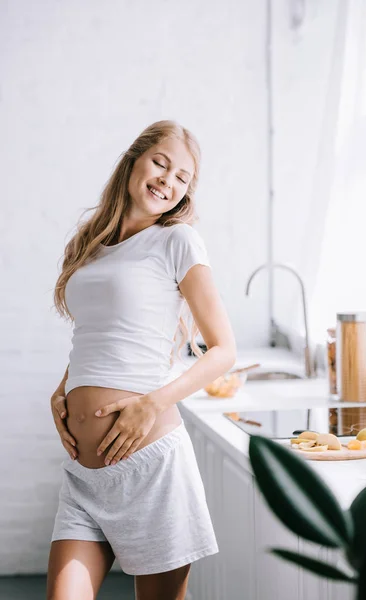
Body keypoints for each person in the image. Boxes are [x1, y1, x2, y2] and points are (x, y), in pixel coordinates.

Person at [47, 120, 237, 600]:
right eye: (161, 163)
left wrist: (151, 405)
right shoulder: (88, 242)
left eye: (182, 179)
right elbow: (98, 330)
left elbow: (223, 350)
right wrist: (64, 387)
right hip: (84, 476)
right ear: (134, 159)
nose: (167, 181)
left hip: (151, 468)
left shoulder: (178, 242)